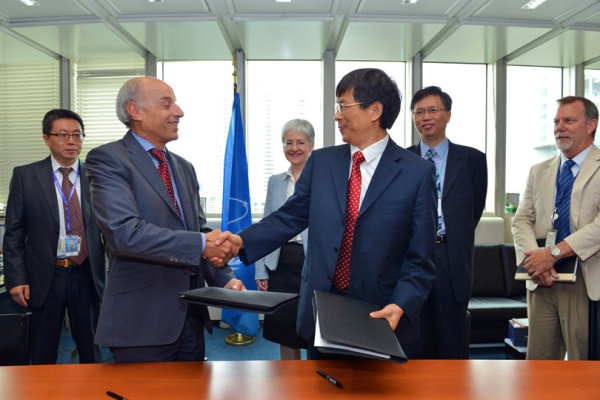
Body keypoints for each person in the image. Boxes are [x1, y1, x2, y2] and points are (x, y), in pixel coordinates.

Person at [217, 68, 437, 359]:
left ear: (374, 111)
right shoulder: (322, 162)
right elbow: (289, 217)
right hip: (321, 307)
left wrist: (401, 304)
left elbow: (420, 258)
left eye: (344, 106)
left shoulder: (417, 172)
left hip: (381, 313)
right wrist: (241, 241)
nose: (336, 115)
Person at [84, 76, 243, 363]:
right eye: (167, 104)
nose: (179, 112)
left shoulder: (183, 167)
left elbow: (197, 229)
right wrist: (202, 243)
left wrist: (225, 279)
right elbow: (124, 234)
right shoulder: (108, 159)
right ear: (135, 111)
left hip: (191, 316)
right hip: (142, 319)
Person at [2, 109, 106, 364]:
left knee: (93, 351)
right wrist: (16, 279)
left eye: (77, 135)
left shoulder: (98, 177)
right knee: (42, 351)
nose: (71, 141)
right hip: (44, 277)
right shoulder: (26, 176)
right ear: (46, 139)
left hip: (87, 274)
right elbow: (14, 233)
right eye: (62, 135)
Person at [512, 95, 600, 360]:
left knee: (583, 366)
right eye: (556, 122)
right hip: (542, 280)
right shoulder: (539, 170)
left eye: (569, 121)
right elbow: (521, 219)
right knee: (538, 365)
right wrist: (536, 262)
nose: (559, 127)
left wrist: (553, 254)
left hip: (585, 279)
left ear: (591, 125)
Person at [407, 86, 487, 359]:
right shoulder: (400, 160)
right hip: (411, 257)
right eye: (419, 112)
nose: (426, 117)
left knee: (451, 341)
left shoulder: (473, 160)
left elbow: (473, 212)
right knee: (414, 339)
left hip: (451, 257)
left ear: (448, 115)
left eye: (433, 110)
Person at [255, 119, 314, 360]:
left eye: (300, 142)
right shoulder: (275, 181)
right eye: (288, 142)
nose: (294, 148)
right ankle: (290, 377)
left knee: (313, 327)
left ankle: (313, 378)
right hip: (280, 263)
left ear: (311, 146)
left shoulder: (322, 179)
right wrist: (261, 269)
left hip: (311, 262)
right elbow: (267, 224)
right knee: (284, 328)